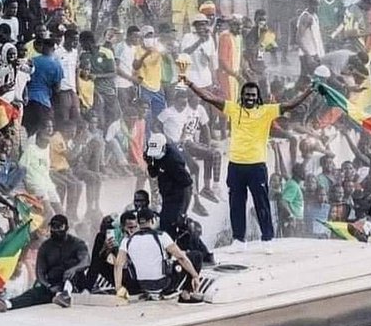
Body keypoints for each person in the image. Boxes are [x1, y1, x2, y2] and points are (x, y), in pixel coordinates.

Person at [185, 79, 315, 253]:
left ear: (257, 97)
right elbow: (209, 97)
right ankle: (239, 240)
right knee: (236, 204)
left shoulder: (266, 111)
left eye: (253, 95)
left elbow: (290, 105)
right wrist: (190, 84)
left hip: (257, 166)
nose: (250, 98)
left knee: (262, 203)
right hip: (236, 165)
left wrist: (309, 90)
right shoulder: (233, 108)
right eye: (247, 95)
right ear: (242, 96)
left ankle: (267, 239)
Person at [0, 215, 89, 311]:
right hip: (54, 285)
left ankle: (65, 295)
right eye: (53, 227)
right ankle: (7, 304)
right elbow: (40, 272)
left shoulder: (77, 243)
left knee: (72, 265)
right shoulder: (46, 246)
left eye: (59, 227)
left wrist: (74, 269)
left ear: (66, 228)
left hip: (74, 283)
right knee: (34, 293)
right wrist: (48, 286)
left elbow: (86, 261)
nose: (55, 230)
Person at [115, 207, 202, 303]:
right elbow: (181, 257)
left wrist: (118, 287)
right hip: (164, 284)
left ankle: (151, 293)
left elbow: (118, 265)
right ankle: (185, 294)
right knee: (196, 256)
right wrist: (195, 275)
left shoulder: (127, 240)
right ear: (152, 220)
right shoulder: (161, 236)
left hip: (142, 284)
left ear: (138, 223)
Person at [144, 132, 193, 238]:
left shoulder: (174, 161)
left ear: (164, 147)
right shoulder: (154, 155)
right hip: (166, 195)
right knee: (164, 224)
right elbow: (153, 174)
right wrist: (149, 164)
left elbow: (187, 185)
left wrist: (183, 211)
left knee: (171, 225)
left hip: (178, 197)